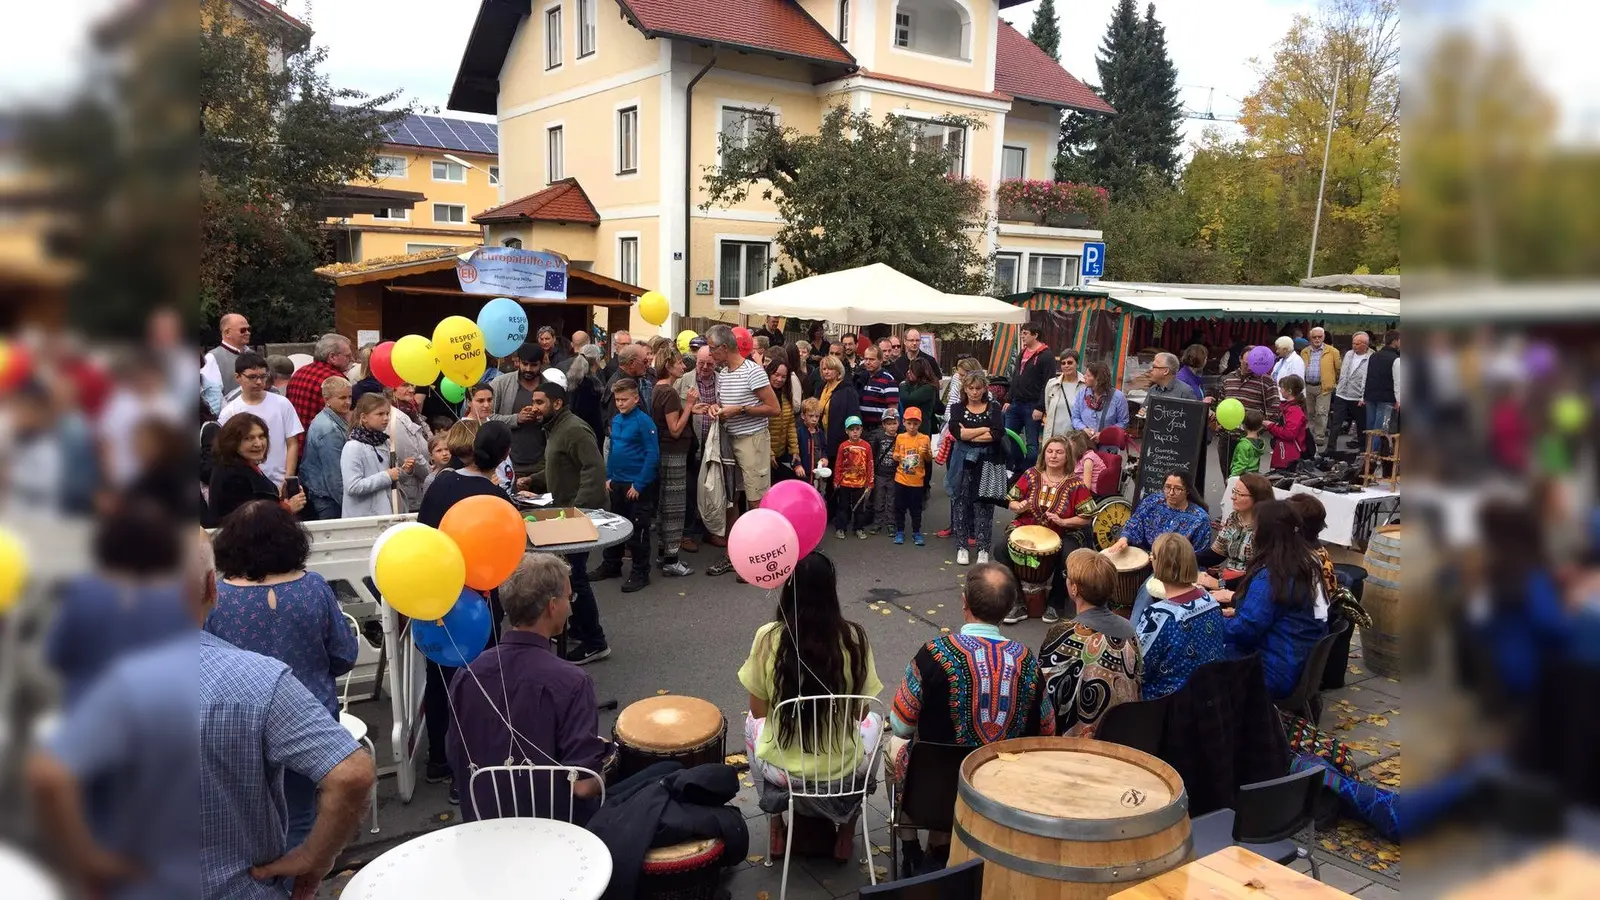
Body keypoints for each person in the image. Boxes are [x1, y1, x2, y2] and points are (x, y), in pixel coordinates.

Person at [29, 527, 375, 900]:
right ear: (212, 586)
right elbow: (352, 773)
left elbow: (48, 777)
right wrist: (315, 857)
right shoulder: (260, 680)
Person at [205, 500, 359, 846]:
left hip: (241, 723)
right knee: (301, 814)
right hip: (310, 716)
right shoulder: (314, 588)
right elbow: (345, 654)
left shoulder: (219, 598)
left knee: (245, 817)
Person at [889, 562, 1050, 867]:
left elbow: (900, 724)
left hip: (931, 792)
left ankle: (910, 846)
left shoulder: (933, 653)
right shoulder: (1027, 661)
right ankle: (944, 845)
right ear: (1007, 609)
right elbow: (1047, 729)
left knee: (893, 746)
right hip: (1001, 793)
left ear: (965, 602)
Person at [738, 552, 885, 862]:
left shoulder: (768, 637)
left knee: (750, 723)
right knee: (874, 721)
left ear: (789, 589)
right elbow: (860, 712)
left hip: (783, 771)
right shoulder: (854, 637)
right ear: (831, 590)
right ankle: (847, 832)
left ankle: (775, 826)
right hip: (842, 769)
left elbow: (759, 711)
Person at [447, 552, 609, 824]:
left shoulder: (466, 674)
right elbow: (583, 785)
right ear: (552, 607)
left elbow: (456, 755)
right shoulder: (572, 681)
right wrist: (612, 761)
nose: (570, 608)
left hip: (484, 824)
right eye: (569, 598)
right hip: (557, 829)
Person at [47, 501, 190, 710]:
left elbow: (56, 656)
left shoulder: (84, 593)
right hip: (161, 715)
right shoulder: (180, 601)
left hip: (89, 713)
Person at [530, 382, 612, 665]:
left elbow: (594, 469)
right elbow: (559, 467)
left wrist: (579, 511)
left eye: (540, 402)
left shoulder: (574, 429)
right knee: (567, 577)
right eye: (534, 402)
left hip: (576, 518)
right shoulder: (555, 428)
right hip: (564, 515)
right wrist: (532, 481)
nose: (534, 408)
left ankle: (595, 643)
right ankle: (576, 628)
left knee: (575, 578)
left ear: (557, 404)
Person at [1222, 501, 1330, 699]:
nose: (1253, 534)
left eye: (1255, 528)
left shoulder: (1273, 575)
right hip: (1295, 661)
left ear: (1265, 534)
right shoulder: (1307, 562)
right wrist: (1236, 613)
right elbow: (1274, 614)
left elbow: (1246, 631)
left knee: (1194, 656)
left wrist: (1208, 623)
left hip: (1271, 672)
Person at [704, 324, 782, 577]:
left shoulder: (753, 371)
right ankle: (734, 554)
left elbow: (774, 409)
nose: (710, 354)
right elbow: (724, 403)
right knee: (731, 497)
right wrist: (716, 408)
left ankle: (757, 557)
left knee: (756, 500)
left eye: (712, 349)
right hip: (729, 439)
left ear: (724, 347)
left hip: (752, 440)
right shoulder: (723, 372)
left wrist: (741, 410)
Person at [1040, 550, 1141, 737]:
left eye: (1067, 576)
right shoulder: (1130, 631)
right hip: (1122, 734)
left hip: (1075, 740)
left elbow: (1047, 694)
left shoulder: (1063, 634)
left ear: (1074, 589)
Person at [999, 434, 1096, 625]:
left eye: (1059, 452)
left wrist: (1064, 521)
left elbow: (1087, 516)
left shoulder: (1075, 484)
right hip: (1027, 527)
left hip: (1064, 531)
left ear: (1067, 456)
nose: (1053, 456)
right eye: (1049, 451)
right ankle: (1017, 602)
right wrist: (1019, 507)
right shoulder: (1031, 474)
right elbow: (1011, 500)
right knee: (1001, 549)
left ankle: (1055, 603)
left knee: (1068, 555)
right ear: (1043, 454)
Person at [1135, 533, 1227, 699]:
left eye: (1153, 556)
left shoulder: (1159, 616)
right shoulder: (1211, 601)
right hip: (1209, 696)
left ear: (1159, 563)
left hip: (1170, 704)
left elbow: (1138, 669)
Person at [594, 378, 660, 593]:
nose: (620, 403)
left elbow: (652, 455)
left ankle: (641, 572)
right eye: (617, 400)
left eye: (624, 399)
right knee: (614, 526)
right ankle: (611, 564)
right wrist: (609, 476)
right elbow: (613, 449)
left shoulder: (644, 422)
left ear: (636, 399)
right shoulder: (617, 419)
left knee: (638, 530)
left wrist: (639, 484)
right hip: (617, 482)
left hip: (636, 484)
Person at [219, 351, 302, 488]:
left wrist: (288, 478)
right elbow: (228, 452)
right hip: (248, 485)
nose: (258, 382)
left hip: (280, 481)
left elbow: (292, 443)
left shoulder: (282, 403)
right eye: (252, 377)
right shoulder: (230, 411)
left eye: (263, 376)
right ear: (238, 377)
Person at [946, 370, 1003, 565]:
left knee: (984, 505)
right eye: (970, 388)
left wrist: (969, 433)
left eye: (978, 388)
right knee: (960, 502)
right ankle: (961, 546)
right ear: (965, 388)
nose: (974, 392)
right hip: (962, 461)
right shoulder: (957, 408)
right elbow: (957, 433)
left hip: (987, 461)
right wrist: (984, 429)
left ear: (985, 388)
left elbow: (997, 434)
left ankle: (983, 548)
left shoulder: (994, 408)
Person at [209, 413, 306, 522]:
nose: (258, 444)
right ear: (232, 442)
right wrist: (287, 508)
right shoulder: (233, 475)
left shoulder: (246, 466)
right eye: (249, 438)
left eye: (261, 436)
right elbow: (249, 520)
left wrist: (280, 498)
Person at [653, 347, 696, 578]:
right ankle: (671, 559)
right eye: (679, 363)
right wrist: (688, 405)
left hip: (665, 452)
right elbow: (675, 429)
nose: (683, 366)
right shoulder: (669, 392)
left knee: (665, 505)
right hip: (673, 454)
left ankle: (664, 554)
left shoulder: (657, 388)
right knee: (674, 507)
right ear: (668, 366)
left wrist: (690, 410)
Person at [487, 342, 550, 487]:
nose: (528, 369)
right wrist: (516, 419)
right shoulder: (500, 384)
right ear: (518, 362)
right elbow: (488, 419)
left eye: (533, 365)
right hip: (508, 464)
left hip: (541, 466)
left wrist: (543, 417)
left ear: (542, 363)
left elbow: (558, 421)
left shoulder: (549, 387)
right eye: (525, 364)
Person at [1106, 471, 1212, 555]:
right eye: (1167, 487)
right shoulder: (1152, 501)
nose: (1171, 493)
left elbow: (1199, 555)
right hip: (1146, 555)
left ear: (1188, 491)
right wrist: (1124, 539)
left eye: (1178, 489)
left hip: (1175, 565)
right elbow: (1135, 521)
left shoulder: (1200, 519)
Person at [1216, 350, 1281, 483]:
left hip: (1249, 439)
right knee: (1228, 476)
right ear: (1240, 359)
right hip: (1227, 436)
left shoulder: (1266, 381)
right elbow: (1221, 403)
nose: (1250, 366)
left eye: (1253, 363)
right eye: (1247, 363)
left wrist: (1256, 430)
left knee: (1247, 479)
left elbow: (1274, 409)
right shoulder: (1228, 378)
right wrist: (1218, 423)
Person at [340, 393, 403, 518]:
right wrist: (387, 476)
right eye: (380, 414)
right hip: (364, 518)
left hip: (385, 515)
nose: (386, 418)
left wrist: (404, 471)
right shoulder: (353, 447)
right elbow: (353, 486)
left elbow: (392, 475)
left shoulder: (385, 442)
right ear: (364, 417)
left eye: (387, 414)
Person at [1205, 473, 1274, 585]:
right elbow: (1217, 553)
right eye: (1234, 491)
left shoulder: (1268, 528)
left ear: (1257, 498)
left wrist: (1219, 584)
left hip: (1250, 586)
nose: (1233, 497)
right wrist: (1184, 557)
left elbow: (1261, 575)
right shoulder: (1234, 518)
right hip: (1227, 580)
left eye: (1240, 494)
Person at [299, 375, 351, 520]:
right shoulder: (329, 430)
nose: (348, 402)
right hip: (328, 499)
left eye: (349, 397)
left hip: (323, 493)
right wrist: (349, 507)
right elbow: (334, 476)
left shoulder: (328, 419)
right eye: (342, 398)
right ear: (326, 399)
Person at [1004, 321, 1054, 462]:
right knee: (1008, 437)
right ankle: (1016, 467)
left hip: (1032, 405)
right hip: (1016, 403)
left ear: (1035, 335)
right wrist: (1009, 399)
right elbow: (1015, 377)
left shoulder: (1046, 355)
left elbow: (1048, 383)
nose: (1022, 336)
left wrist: (1040, 407)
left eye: (1025, 333)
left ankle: (1029, 470)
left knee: (1031, 442)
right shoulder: (1022, 352)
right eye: (1021, 333)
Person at [284, 333, 354, 435]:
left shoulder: (299, 372)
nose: (352, 359)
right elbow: (344, 416)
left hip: (295, 439)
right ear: (332, 357)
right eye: (347, 356)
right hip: (325, 438)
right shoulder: (336, 380)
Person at [1325, 331, 1372, 453]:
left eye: (1357, 344)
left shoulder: (1371, 357)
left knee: (1361, 425)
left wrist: (1364, 396)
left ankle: (1363, 451)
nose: (1354, 346)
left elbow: (1369, 378)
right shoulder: (1349, 354)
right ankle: (1330, 449)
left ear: (1365, 345)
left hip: (1358, 396)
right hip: (1342, 393)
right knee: (1336, 423)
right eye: (1353, 343)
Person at [892, 407, 933, 546]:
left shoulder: (924, 438)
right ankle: (899, 531)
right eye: (909, 423)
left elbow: (928, 459)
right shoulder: (900, 437)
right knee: (899, 507)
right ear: (903, 422)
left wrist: (926, 452)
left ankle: (916, 532)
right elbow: (895, 453)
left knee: (916, 509)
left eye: (915, 423)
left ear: (920, 424)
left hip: (917, 480)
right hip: (901, 478)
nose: (912, 426)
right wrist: (897, 456)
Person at [388, 384, 432, 513]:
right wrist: (432, 476)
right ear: (392, 388)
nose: (412, 390)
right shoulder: (396, 418)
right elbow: (411, 457)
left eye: (412, 385)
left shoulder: (411, 411)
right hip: (409, 491)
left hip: (418, 487)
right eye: (405, 385)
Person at [830, 415, 874, 539]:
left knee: (859, 508)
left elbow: (870, 464)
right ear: (846, 431)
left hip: (860, 483)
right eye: (851, 429)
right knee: (843, 507)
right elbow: (838, 464)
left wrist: (870, 481)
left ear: (861, 430)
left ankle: (859, 528)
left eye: (857, 429)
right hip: (845, 482)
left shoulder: (867, 446)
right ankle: (841, 528)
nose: (855, 432)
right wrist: (836, 480)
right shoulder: (843, 446)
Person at [1298, 328, 1341, 449]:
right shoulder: (1304, 352)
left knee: (1321, 412)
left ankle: (1319, 437)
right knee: (1309, 412)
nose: (1317, 339)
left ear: (1323, 337)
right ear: (1310, 338)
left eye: (1319, 337)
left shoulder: (1332, 351)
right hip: (1307, 386)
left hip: (1324, 387)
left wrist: (1333, 383)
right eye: (1314, 337)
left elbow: (1338, 369)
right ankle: (1310, 436)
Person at [1363, 330, 1402, 459]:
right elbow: (1397, 381)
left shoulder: (1373, 356)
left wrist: (1363, 395)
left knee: (1370, 427)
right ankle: (1375, 455)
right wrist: (1399, 400)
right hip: (1386, 397)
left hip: (1370, 395)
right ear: (1395, 341)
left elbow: (1366, 376)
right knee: (1380, 428)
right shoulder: (1396, 359)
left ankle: (1368, 452)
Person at [817, 355, 862, 465]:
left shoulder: (848, 390)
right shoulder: (821, 388)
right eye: (824, 369)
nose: (826, 371)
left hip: (840, 441)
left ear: (838, 371)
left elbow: (854, 416)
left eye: (830, 368)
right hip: (822, 439)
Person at [1070, 360, 1129, 444]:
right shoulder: (1082, 394)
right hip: (1085, 444)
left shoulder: (1118, 397)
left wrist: (1104, 434)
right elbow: (1075, 418)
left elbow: (1123, 422)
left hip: (1108, 445)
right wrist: (1084, 429)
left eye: (1088, 375)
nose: (1084, 377)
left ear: (1098, 379)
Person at [204, 312, 252, 405]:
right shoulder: (212, 358)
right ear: (227, 333)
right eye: (243, 330)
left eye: (249, 329)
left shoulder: (253, 355)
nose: (247, 333)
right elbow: (212, 400)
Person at [764, 358, 800, 483]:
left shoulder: (785, 395)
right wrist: (769, 453)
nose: (779, 379)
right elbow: (760, 428)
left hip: (781, 453)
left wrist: (794, 450)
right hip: (764, 455)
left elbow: (790, 425)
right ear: (769, 374)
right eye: (776, 375)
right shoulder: (761, 396)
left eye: (783, 377)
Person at [604, 343, 653, 430]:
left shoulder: (631, 380)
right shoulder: (619, 386)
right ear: (631, 364)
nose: (648, 365)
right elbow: (614, 426)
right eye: (645, 362)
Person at [1267, 375, 1310, 472]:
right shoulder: (1288, 407)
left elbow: (1289, 433)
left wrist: (1270, 426)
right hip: (1285, 453)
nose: (1280, 390)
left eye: (1282, 387)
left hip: (1289, 456)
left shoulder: (1294, 410)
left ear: (1289, 391)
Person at [867, 408, 900, 536]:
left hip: (894, 475)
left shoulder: (901, 438)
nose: (892, 426)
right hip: (880, 474)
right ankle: (877, 522)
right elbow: (874, 454)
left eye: (894, 423)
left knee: (892, 500)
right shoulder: (879, 437)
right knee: (878, 499)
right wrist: (872, 472)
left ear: (898, 423)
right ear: (883, 424)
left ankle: (891, 523)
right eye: (889, 424)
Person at [1040, 350, 1083, 440]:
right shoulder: (1052, 384)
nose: (1066, 365)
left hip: (1076, 438)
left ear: (1077, 364)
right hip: (1054, 437)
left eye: (1070, 362)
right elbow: (1048, 409)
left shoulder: (1085, 385)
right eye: (1063, 363)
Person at [897, 357, 941, 443]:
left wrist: (903, 384)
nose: (908, 372)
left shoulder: (929, 388)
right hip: (908, 428)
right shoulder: (912, 384)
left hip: (921, 430)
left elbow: (908, 399)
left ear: (919, 373)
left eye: (911, 370)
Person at [857, 344, 899, 432]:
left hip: (879, 429)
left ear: (880, 360)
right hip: (861, 428)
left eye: (872, 359)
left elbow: (893, 410)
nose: (868, 362)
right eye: (866, 359)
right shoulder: (860, 378)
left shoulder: (888, 380)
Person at [795, 397, 826, 482]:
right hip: (803, 474)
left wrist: (824, 458)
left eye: (817, 416)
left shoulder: (820, 432)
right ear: (803, 416)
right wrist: (797, 465)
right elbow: (794, 451)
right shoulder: (799, 432)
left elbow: (823, 448)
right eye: (811, 416)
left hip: (817, 473)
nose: (814, 419)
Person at [1231, 410, 1267, 477]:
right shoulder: (1260, 442)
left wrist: (1232, 477)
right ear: (1260, 427)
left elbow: (1241, 464)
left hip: (1243, 476)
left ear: (1244, 425)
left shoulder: (1243, 444)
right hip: (1254, 475)